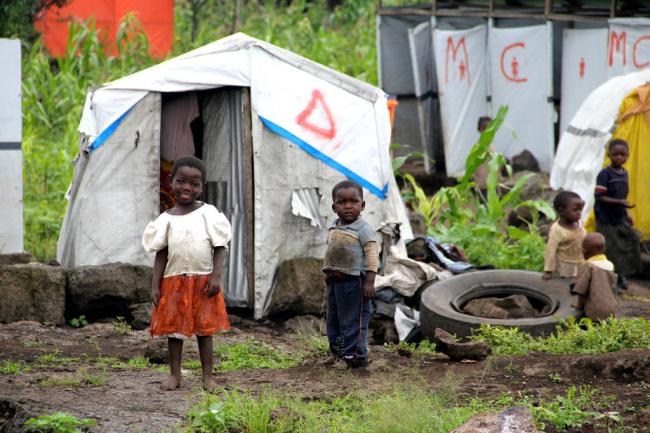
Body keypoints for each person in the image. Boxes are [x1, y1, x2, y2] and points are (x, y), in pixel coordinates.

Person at [142, 155, 231, 391]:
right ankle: (175, 375)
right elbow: (161, 253)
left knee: (205, 331)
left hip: (203, 281)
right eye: (181, 181)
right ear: (171, 181)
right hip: (174, 282)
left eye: (194, 183)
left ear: (202, 186)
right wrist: (155, 284)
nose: (187, 187)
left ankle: (208, 377)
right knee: (174, 332)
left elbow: (220, 245)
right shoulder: (166, 219)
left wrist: (216, 276)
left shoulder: (208, 214)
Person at [322, 180, 378, 369]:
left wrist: (370, 281)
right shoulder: (334, 226)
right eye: (342, 202)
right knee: (334, 320)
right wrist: (329, 273)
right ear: (334, 207)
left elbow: (372, 255)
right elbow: (333, 253)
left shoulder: (363, 229)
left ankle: (353, 357)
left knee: (353, 320)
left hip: (355, 284)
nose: (348, 206)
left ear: (362, 205)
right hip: (335, 284)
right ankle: (337, 353)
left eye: (353, 201)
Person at [594, 139, 641, 290]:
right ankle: (613, 280)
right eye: (615, 154)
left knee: (632, 239)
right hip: (606, 218)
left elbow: (623, 196)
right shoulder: (605, 174)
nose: (619, 157)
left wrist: (626, 214)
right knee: (612, 249)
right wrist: (619, 202)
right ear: (609, 156)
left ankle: (623, 274)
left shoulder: (624, 173)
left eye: (622, 154)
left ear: (627, 156)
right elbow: (599, 196)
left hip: (619, 217)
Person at [571, 233, 617, 320]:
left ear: (585, 251)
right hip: (611, 308)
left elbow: (581, 289)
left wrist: (579, 306)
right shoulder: (610, 265)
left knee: (592, 326)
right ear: (604, 249)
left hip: (594, 310)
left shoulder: (588, 266)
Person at [543, 191, 587, 281]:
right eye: (575, 210)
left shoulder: (580, 223)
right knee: (565, 286)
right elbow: (550, 250)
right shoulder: (557, 230)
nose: (579, 213)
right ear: (562, 211)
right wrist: (548, 270)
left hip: (581, 262)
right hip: (564, 266)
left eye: (580, 210)